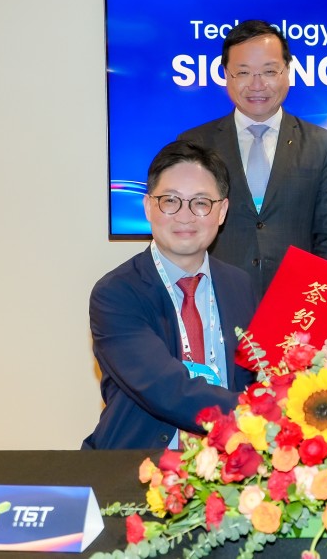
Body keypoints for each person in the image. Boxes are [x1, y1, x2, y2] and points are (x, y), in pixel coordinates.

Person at [83, 140, 257, 450]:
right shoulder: (116, 293)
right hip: (138, 465)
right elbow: (165, 388)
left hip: (232, 465)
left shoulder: (239, 284)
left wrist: (315, 359)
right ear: (149, 206)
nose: (185, 216)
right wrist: (259, 415)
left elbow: (260, 371)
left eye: (201, 202)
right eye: (170, 201)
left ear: (222, 212)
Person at [178, 20, 327, 295]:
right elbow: (183, 229)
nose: (257, 85)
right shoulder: (195, 144)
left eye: (269, 71)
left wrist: (313, 301)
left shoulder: (321, 144)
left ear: (287, 73)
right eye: (243, 72)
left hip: (294, 305)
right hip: (214, 297)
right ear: (226, 75)